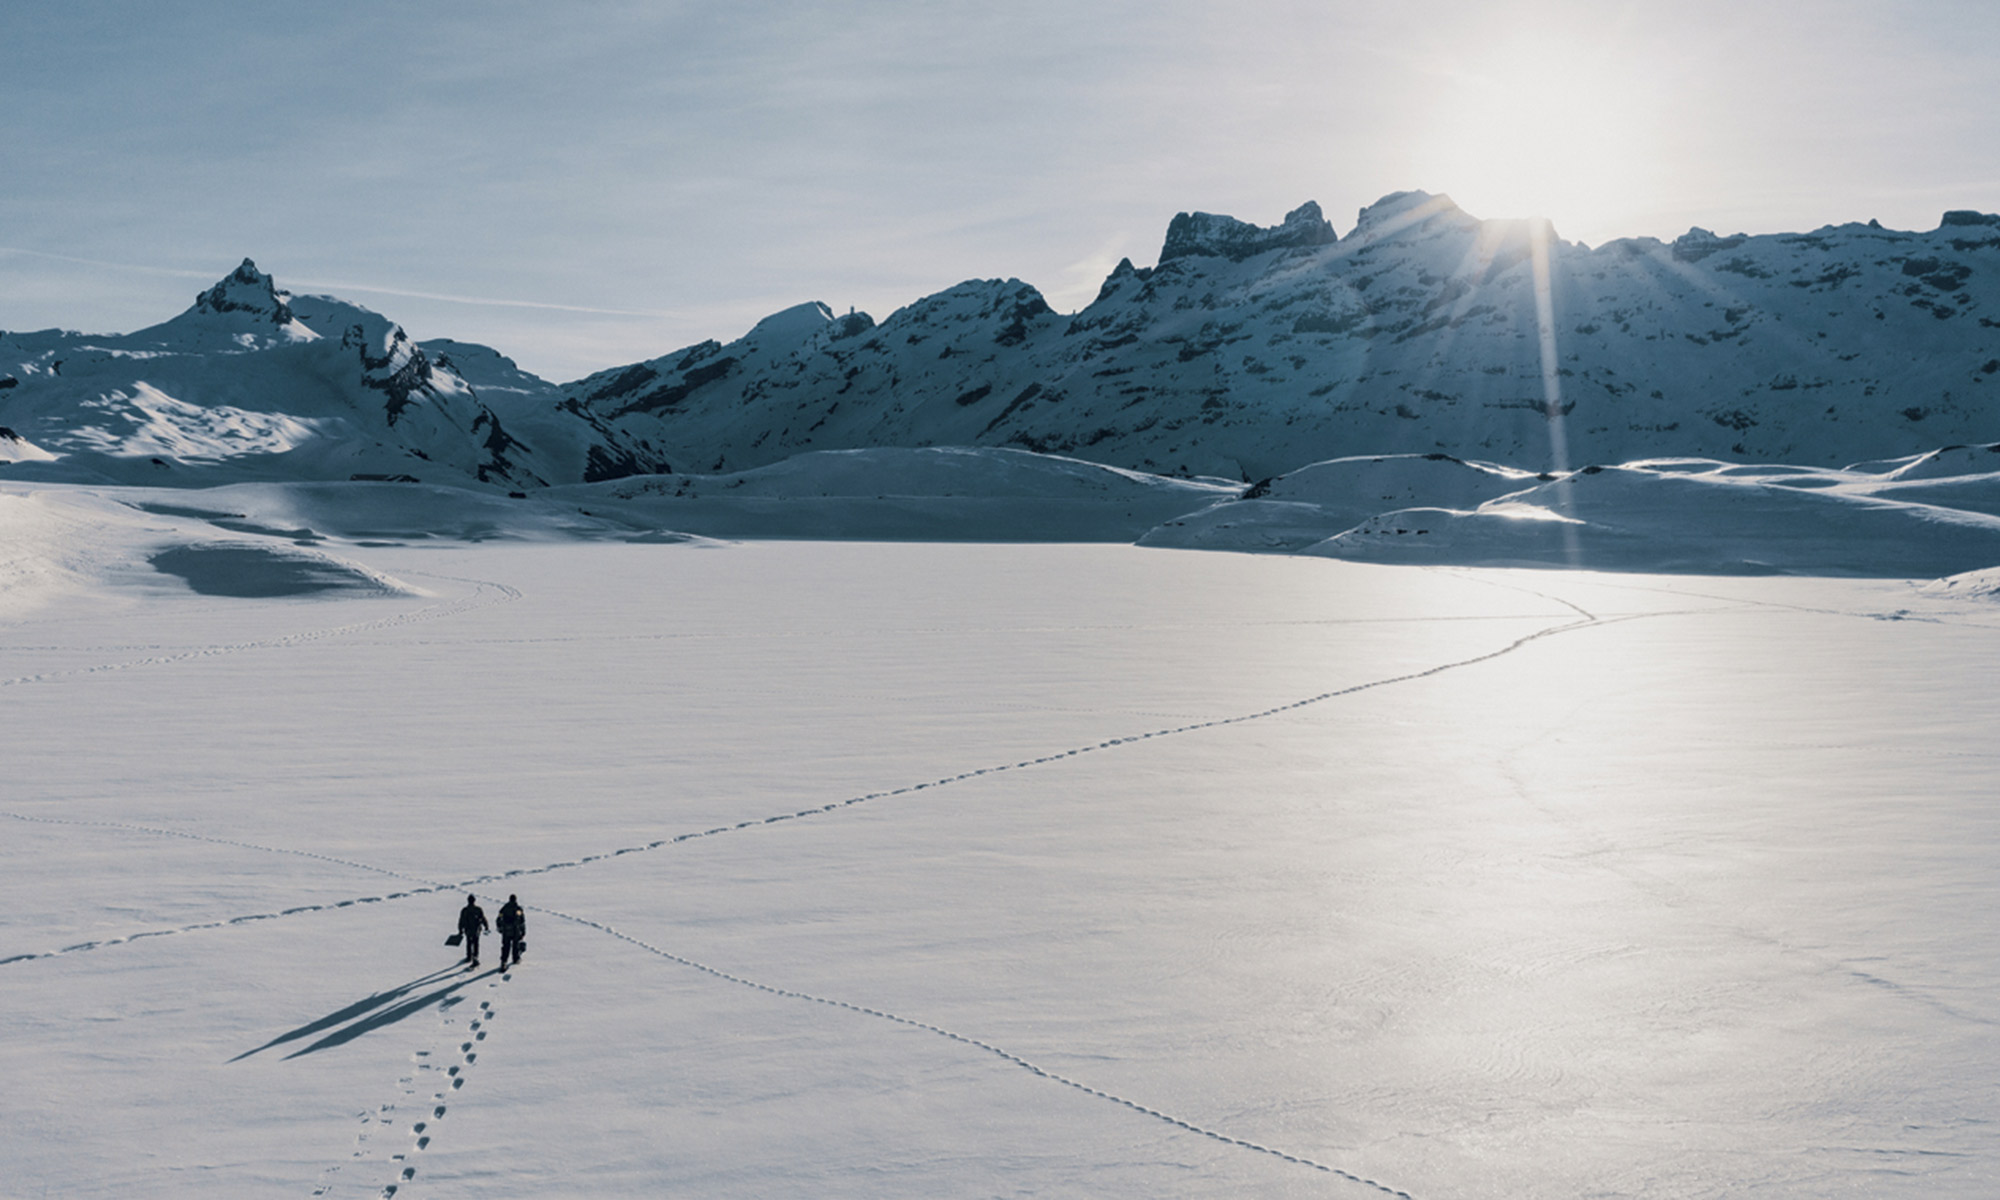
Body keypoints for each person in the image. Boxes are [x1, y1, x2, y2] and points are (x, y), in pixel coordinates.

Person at [457, 895, 489, 968]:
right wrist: (486, 926)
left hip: (468, 930)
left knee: (469, 943)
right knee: (476, 943)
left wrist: (460, 930)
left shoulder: (464, 910)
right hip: (476, 930)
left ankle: (469, 956)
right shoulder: (478, 909)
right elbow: (483, 918)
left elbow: (461, 920)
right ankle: (475, 957)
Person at [496, 894, 526, 970]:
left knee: (506, 947)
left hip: (506, 931)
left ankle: (504, 961)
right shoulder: (518, 909)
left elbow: (499, 917)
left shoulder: (504, 908)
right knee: (515, 946)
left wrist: (499, 927)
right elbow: (522, 921)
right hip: (515, 931)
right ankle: (515, 959)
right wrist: (523, 931)